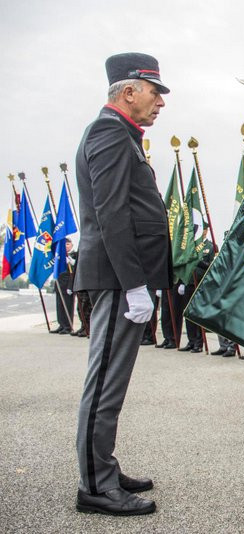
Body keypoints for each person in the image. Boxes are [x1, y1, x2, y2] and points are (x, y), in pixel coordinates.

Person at [73, 52, 170, 516]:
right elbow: (111, 212)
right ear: (128, 91)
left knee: (113, 380)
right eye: (155, 92)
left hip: (122, 276)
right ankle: (95, 485)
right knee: (105, 383)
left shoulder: (122, 134)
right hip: (116, 277)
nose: (160, 103)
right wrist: (133, 283)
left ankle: (103, 466)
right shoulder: (109, 132)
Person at [53, 239, 76, 334]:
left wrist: (71, 286)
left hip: (68, 285)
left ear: (72, 245)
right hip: (60, 284)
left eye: (68, 244)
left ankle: (68, 326)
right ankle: (61, 324)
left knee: (68, 305)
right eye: (64, 244)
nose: (66, 246)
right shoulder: (60, 256)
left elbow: (74, 272)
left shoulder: (75, 255)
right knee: (60, 306)